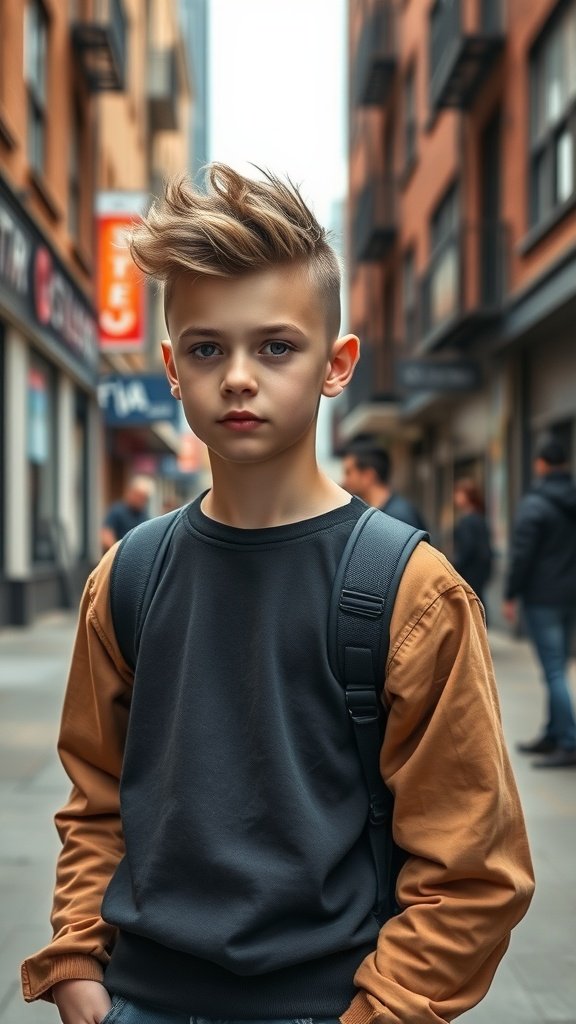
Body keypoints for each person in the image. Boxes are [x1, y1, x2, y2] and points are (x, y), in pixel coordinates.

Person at [22, 164, 533, 1024]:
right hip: (136, 1000)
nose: (240, 377)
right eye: (207, 348)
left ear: (336, 365)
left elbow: (471, 870)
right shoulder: (128, 575)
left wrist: (382, 1014)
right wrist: (77, 963)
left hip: (328, 1005)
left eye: (277, 346)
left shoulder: (411, 590)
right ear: (172, 367)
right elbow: (97, 802)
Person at [503, 437, 576, 768]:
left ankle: (569, 740)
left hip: (543, 597)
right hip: (569, 595)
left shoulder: (535, 503)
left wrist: (510, 593)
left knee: (552, 670)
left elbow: (522, 555)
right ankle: (552, 733)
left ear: (542, 465)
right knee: (557, 667)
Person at [341, 442, 427, 530]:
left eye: (348, 473)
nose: (344, 481)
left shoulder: (399, 518)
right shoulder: (380, 514)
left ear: (368, 476)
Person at [452, 477, 493, 609]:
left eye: (459, 493)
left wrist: (453, 566)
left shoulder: (468, 521)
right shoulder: (479, 517)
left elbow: (466, 549)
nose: (455, 497)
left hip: (470, 572)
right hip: (479, 572)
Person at [100, 476, 154, 552]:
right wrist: (117, 551)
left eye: (144, 498)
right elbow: (106, 534)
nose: (141, 500)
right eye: (139, 496)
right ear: (132, 493)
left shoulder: (144, 514)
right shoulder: (118, 510)